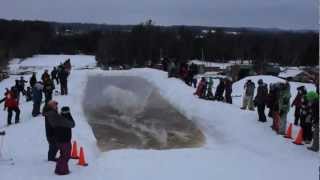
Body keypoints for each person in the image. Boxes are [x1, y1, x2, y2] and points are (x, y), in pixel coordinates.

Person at [46, 101, 75, 175]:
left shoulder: (57, 117)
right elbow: (72, 124)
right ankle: (62, 171)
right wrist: (69, 115)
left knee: (63, 155)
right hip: (64, 141)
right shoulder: (63, 120)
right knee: (66, 156)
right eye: (55, 105)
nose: (57, 106)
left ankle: (58, 169)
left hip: (58, 140)